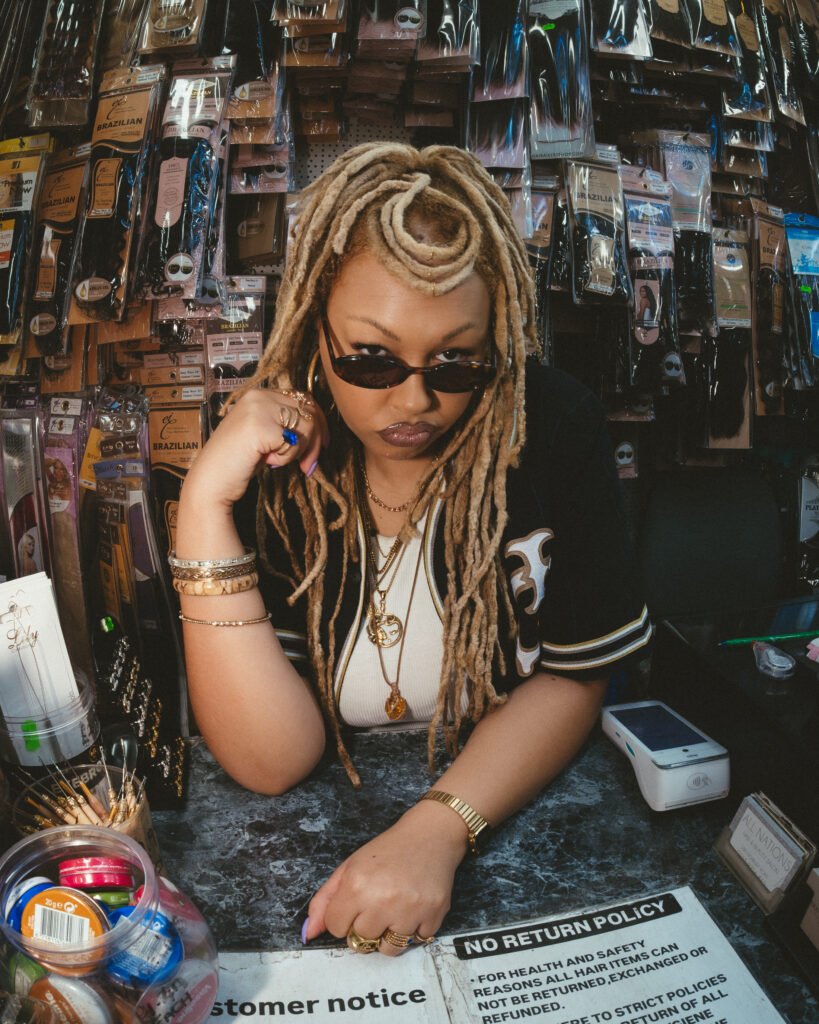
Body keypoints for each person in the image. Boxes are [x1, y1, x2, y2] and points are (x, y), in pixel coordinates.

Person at [173, 143, 650, 957]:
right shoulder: (279, 460)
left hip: (522, 820)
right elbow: (270, 760)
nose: (415, 399)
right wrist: (203, 505)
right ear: (315, 326)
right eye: (371, 359)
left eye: (455, 361)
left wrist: (439, 828)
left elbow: (576, 672)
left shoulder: (552, 427)